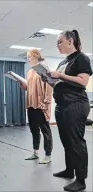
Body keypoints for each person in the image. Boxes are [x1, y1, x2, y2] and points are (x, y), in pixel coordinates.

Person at [48, 30, 92, 192]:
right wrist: (49, 80)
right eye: (57, 43)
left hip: (76, 104)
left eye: (60, 41)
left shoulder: (82, 58)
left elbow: (82, 82)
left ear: (70, 41)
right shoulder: (64, 62)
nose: (57, 45)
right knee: (66, 140)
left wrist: (59, 75)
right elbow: (59, 83)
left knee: (76, 142)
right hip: (62, 104)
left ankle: (81, 180)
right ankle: (69, 170)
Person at [19, 49, 53, 164]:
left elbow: (49, 87)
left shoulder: (44, 68)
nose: (27, 58)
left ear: (35, 56)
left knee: (45, 131)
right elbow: (31, 88)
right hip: (31, 104)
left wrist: (45, 104)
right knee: (34, 130)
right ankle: (35, 152)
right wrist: (25, 87)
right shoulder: (30, 72)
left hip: (41, 105)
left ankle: (48, 155)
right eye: (27, 56)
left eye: (29, 56)